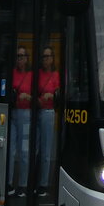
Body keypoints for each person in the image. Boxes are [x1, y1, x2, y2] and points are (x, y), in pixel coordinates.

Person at [8, 47, 33, 196]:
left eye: (22, 56)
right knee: (10, 151)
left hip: (26, 114)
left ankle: (23, 184)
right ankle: (9, 183)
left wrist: (28, 97)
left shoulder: (31, 75)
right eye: (18, 56)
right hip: (13, 113)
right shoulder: (12, 73)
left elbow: (37, 95)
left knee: (24, 151)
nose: (20, 59)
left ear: (27, 58)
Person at [36, 47, 60, 195]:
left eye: (48, 56)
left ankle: (43, 184)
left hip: (48, 112)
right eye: (43, 57)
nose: (45, 59)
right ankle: (31, 181)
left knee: (45, 151)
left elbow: (59, 93)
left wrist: (51, 96)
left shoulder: (57, 75)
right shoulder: (37, 74)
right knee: (33, 148)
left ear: (52, 58)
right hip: (35, 111)